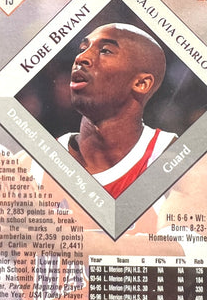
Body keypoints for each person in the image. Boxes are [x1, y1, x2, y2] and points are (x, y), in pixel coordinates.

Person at [59, 22, 176, 198]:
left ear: (141, 83)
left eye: (105, 51)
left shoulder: (176, 158)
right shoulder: (33, 163)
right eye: (83, 48)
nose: (81, 57)